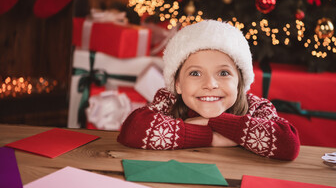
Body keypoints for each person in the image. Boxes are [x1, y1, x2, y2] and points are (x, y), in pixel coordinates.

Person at [117, 20, 300, 160]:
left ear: (239, 82)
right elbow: (133, 130)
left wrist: (214, 121)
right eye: (195, 73)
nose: (210, 84)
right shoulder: (169, 101)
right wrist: (210, 137)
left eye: (223, 72)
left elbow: (287, 144)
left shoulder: (257, 107)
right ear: (178, 84)